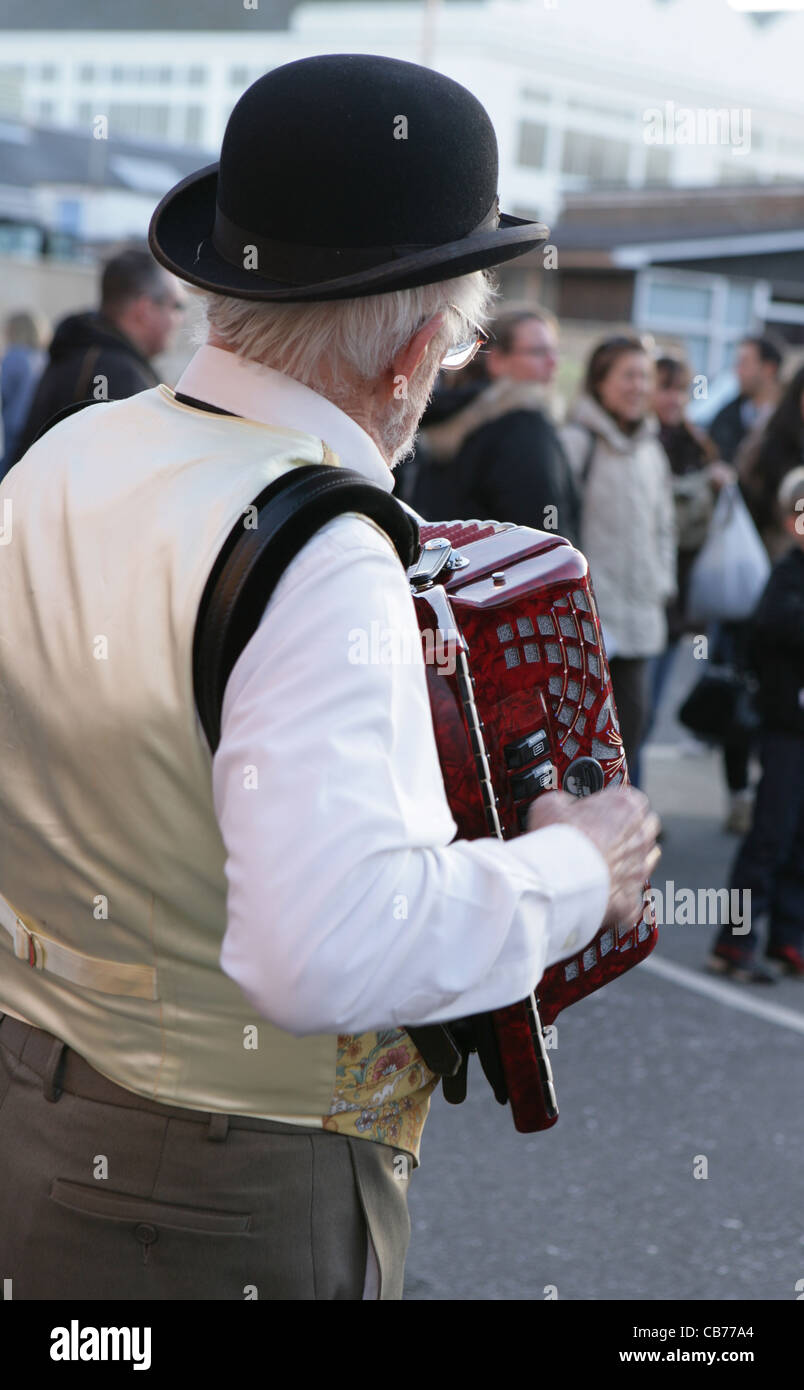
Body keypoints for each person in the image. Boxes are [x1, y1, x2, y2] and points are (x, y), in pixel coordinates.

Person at [0, 54, 659, 1301]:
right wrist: (582, 867)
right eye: (457, 346)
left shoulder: (70, 453)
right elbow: (319, 953)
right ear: (413, 352)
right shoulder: (323, 550)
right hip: (218, 1189)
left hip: (33, 1102)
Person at [560, 336, 677, 780]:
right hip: (593, 623)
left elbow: (665, 526)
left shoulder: (652, 449)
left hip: (642, 616)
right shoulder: (576, 442)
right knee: (589, 742)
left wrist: (661, 583)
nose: (639, 386)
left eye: (645, 376)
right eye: (628, 375)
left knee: (635, 728)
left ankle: (632, 815)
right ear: (599, 382)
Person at [709, 467, 804, 983]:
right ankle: (734, 940)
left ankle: (788, 937)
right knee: (771, 832)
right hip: (787, 726)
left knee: (800, 840)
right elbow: (775, 628)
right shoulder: (787, 577)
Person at [410, 306, 581, 545]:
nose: (553, 363)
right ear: (498, 361)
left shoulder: (449, 415)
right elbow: (546, 540)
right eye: (539, 352)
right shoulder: (524, 426)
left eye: (554, 351)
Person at [640, 357, 734, 769]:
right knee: (633, 708)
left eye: (682, 389)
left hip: (683, 594)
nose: (675, 398)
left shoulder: (698, 444)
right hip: (648, 591)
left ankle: (636, 792)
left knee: (650, 707)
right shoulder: (642, 441)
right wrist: (701, 485)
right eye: (666, 387)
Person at [10, 246, 186, 463]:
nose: (181, 318)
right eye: (177, 306)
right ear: (145, 309)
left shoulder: (84, 351)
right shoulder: (114, 372)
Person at [707, 335, 783, 464]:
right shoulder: (726, 417)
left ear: (769, 369)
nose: (737, 371)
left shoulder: (790, 418)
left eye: (744, 363)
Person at [0, 310, 49, 479]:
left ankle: (7, 507)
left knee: (7, 484)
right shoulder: (45, 359)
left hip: (13, 432)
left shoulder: (14, 357)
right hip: (40, 432)